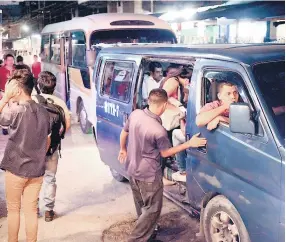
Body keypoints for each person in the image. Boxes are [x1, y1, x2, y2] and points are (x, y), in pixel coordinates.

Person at [118, 88, 207, 242]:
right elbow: (166, 153)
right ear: (165, 105)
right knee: (152, 210)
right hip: (149, 176)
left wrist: (123, 149)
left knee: (142, 206)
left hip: (132, 169)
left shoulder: (136, 114)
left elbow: (124, 132)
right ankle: (135, 239)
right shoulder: (158, 131)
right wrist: (189, 143)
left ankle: (149, 235)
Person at [0, 69, 50, 242]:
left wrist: (5, 99)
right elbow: (47, 140)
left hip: (15, 169)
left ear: (18, 90)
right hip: (37, 171)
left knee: (13, 210)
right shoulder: (44, 111)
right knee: (31, 212)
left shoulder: (15, 111)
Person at [32, 71, 71, 222]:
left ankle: (34, 208)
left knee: (33, 178)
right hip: (52, 148)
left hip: (32, 149)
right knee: (50, 178)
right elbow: (66, 125)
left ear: (39, 86)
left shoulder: (32, 100)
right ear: (54, 86)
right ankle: (48, 211)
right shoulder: (59, 102)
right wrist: (57, 137)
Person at [0, 54, 15, 135]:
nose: (11, 62)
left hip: (14, 94)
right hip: (3, 93)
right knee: (5, 111)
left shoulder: (15, 70)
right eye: (9, 60)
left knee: (14, 110)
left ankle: (12, 126)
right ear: (5, 61)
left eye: (12, 60)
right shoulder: (1, 70)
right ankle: (4, 127)